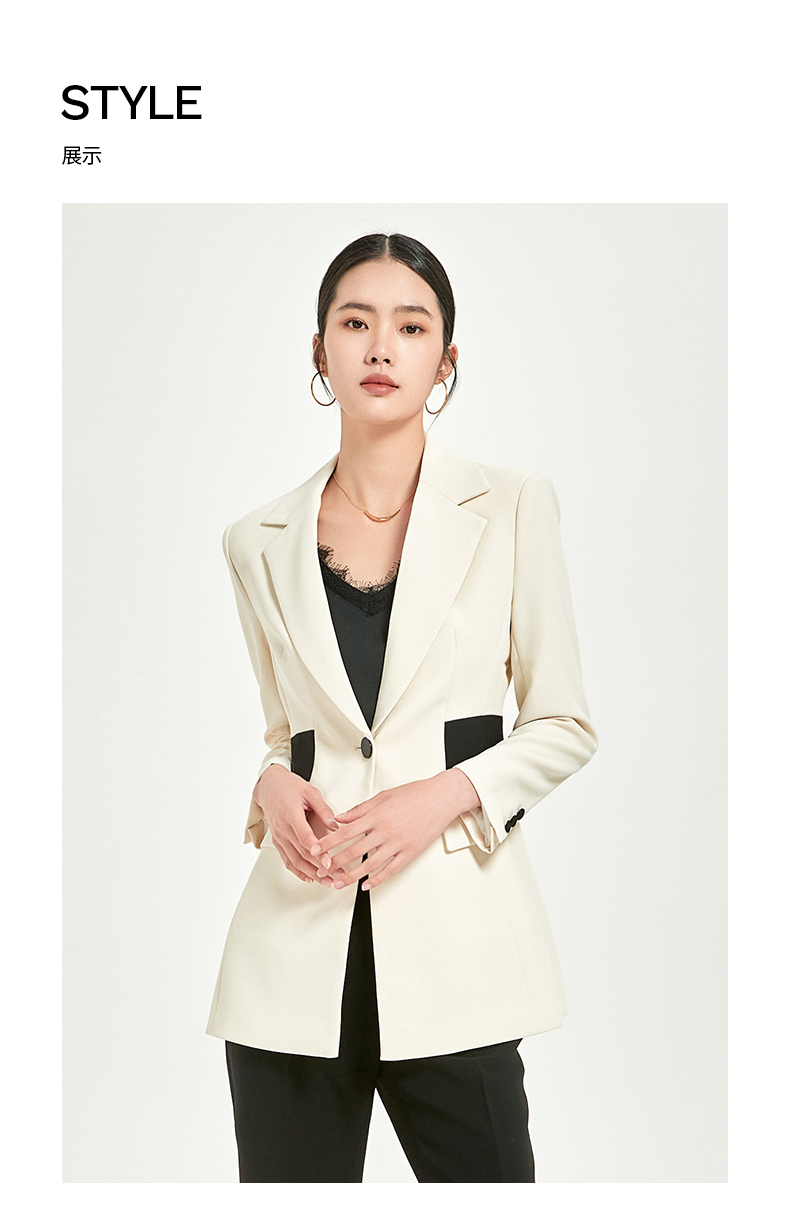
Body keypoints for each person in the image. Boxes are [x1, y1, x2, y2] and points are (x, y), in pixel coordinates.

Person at [206, 232, 598, 1183]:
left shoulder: (512, 506)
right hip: (291, 953)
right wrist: (268, 786)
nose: (381, 347)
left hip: (457, 945)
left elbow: (563, 723)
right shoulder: (256, 539)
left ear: (445, 360)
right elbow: (287, 733)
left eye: (411, 327)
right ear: (320, 350)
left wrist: (442, 797)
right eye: (356, 323)